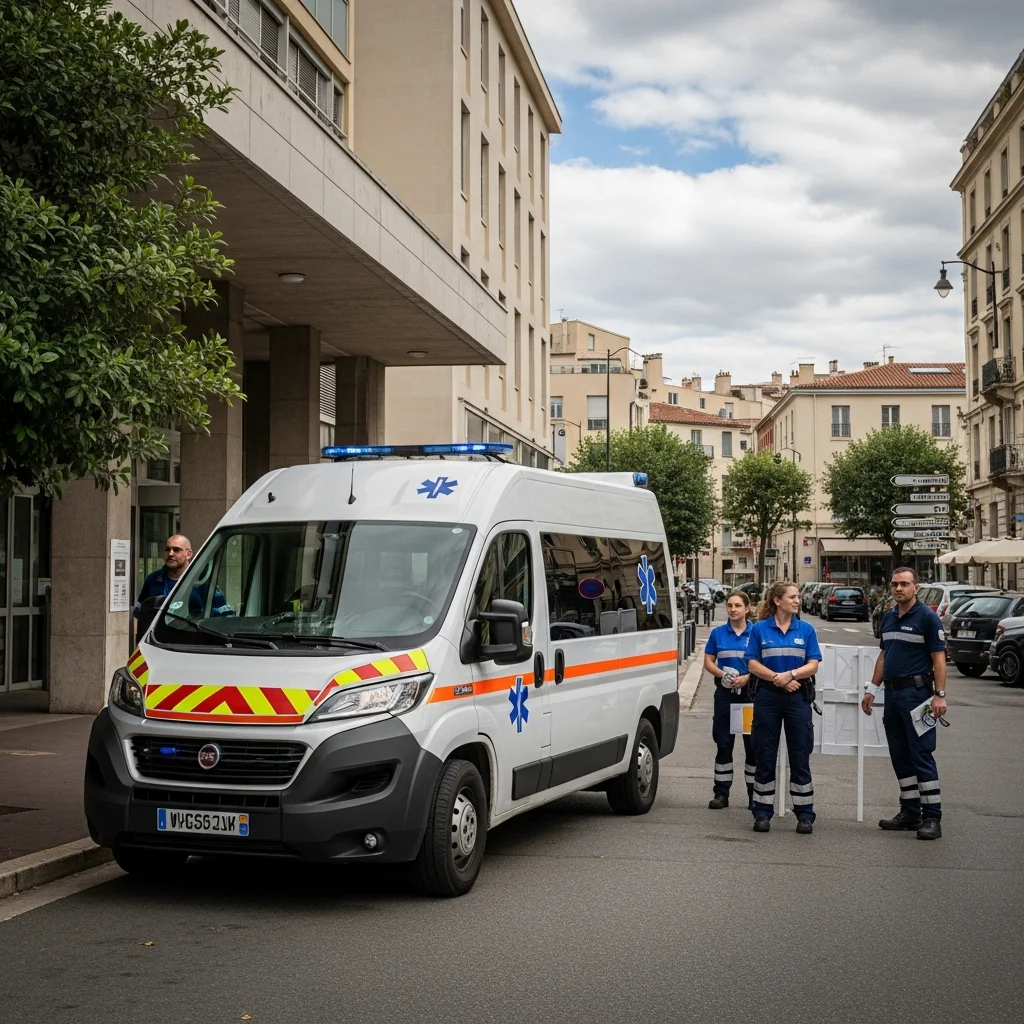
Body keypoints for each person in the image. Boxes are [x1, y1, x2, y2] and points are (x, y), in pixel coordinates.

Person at [862, 566, 947, 840]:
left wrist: (940, 695)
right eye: (895, 584)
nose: (899, 589)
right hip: (893, 696)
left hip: (918, 695)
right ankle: (910, 812)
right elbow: (884, 657)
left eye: (905, 584)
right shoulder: (888, 617)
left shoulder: (927, 618)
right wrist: (872, 689)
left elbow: (939, 659)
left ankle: (932, 817)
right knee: (899, 755)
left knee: (921, 754)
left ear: (916, 587)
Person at [745, 580, 822, 834]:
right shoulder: (759, 629)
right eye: (792, 597)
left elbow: (813, 665)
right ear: (777, 601)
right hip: (768, 696)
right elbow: (753, 664)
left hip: (798, 696)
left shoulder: (807, 629)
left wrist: (789, 675)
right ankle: (762, 813)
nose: (797, 601)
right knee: (764, 753)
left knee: (800, 754)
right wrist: (778, 679)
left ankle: (805, 814)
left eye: (798, 597)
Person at [704, 590, 755, 810]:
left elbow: (763, 662)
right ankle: (721, 794)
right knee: (723, 744)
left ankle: (754, 795)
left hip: (748, 695)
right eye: (730, 605)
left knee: (752, 746)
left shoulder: (757, 633)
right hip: (725, 695)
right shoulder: (718, 633)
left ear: (747, 608)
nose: (733, 610)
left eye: (737, 606)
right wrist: (720, 674)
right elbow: (708, 661)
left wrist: (747, 677)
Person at [133, 535, 192, 642]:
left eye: (176, 550)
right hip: (159, 646)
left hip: (191, 647)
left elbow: (222, 615)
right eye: (167, 549)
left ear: (188, 554)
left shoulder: (201, 581)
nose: (170, 554)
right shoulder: (153, 579)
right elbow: (138, 614)